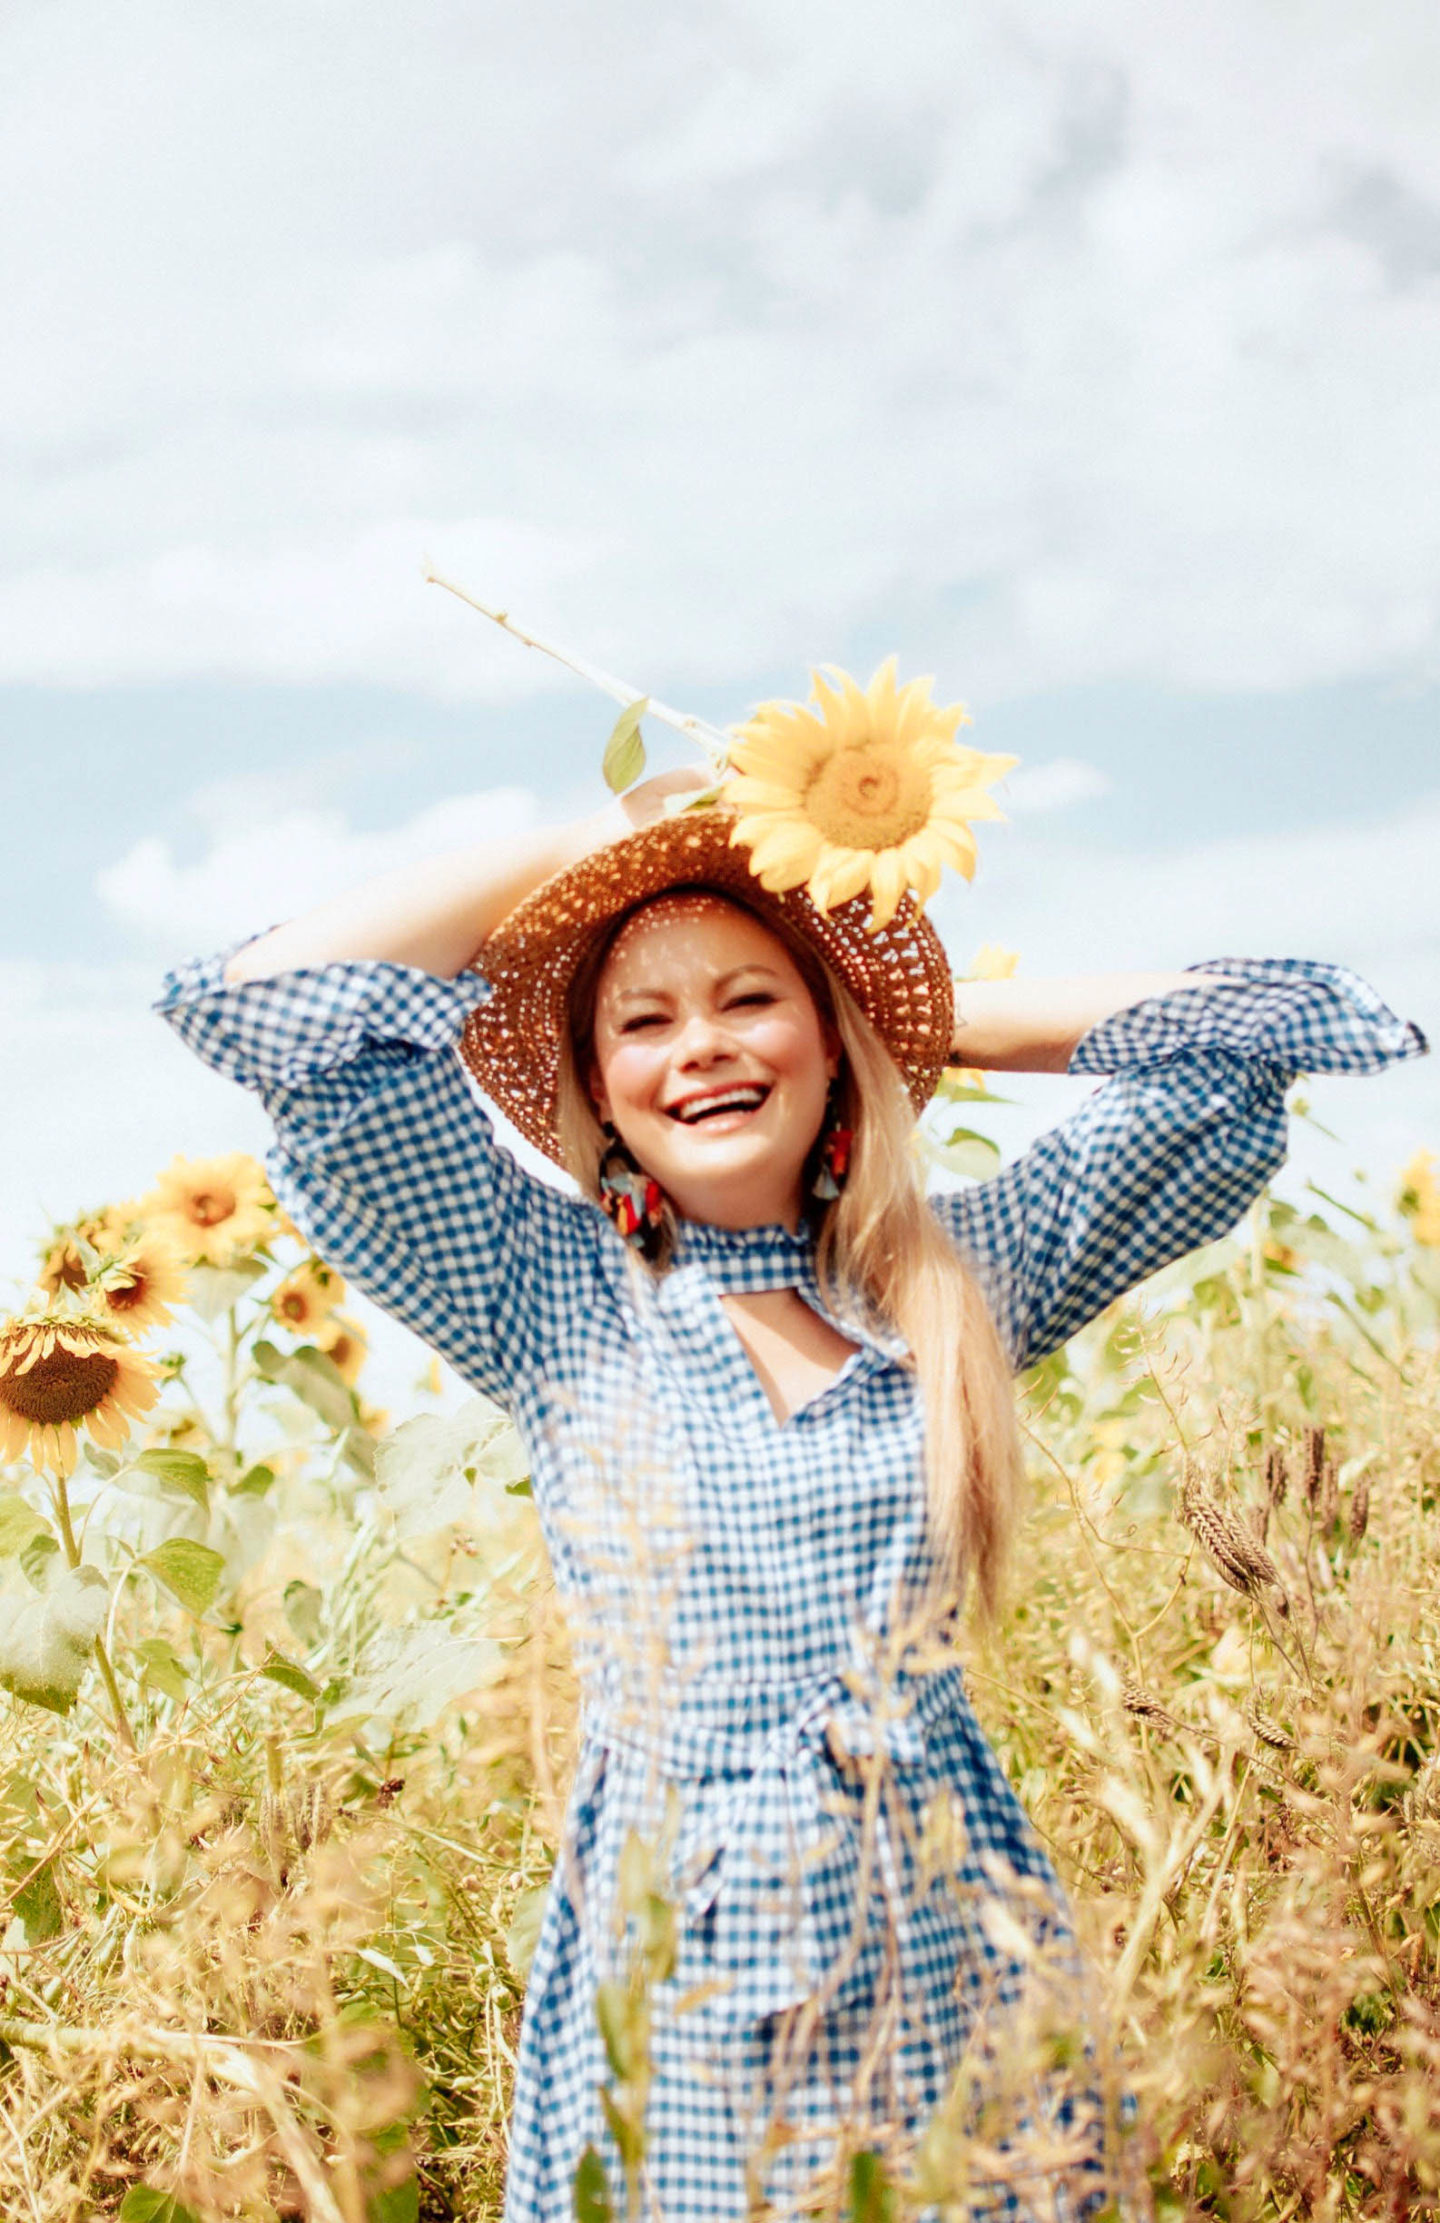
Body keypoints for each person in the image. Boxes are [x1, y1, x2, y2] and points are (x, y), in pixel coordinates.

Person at [157, 749, 1425, 2221]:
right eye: (645, 1021)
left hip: (946, 1929)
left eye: (750, 1000)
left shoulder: (961, 1283)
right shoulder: (546, 1291)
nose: (699, 1045)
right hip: (675, 1956)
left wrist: (928, 1025)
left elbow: (1271, 1031)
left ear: (830, 1047)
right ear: (599, 1093)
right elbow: (266, 1008)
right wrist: (612, 831)